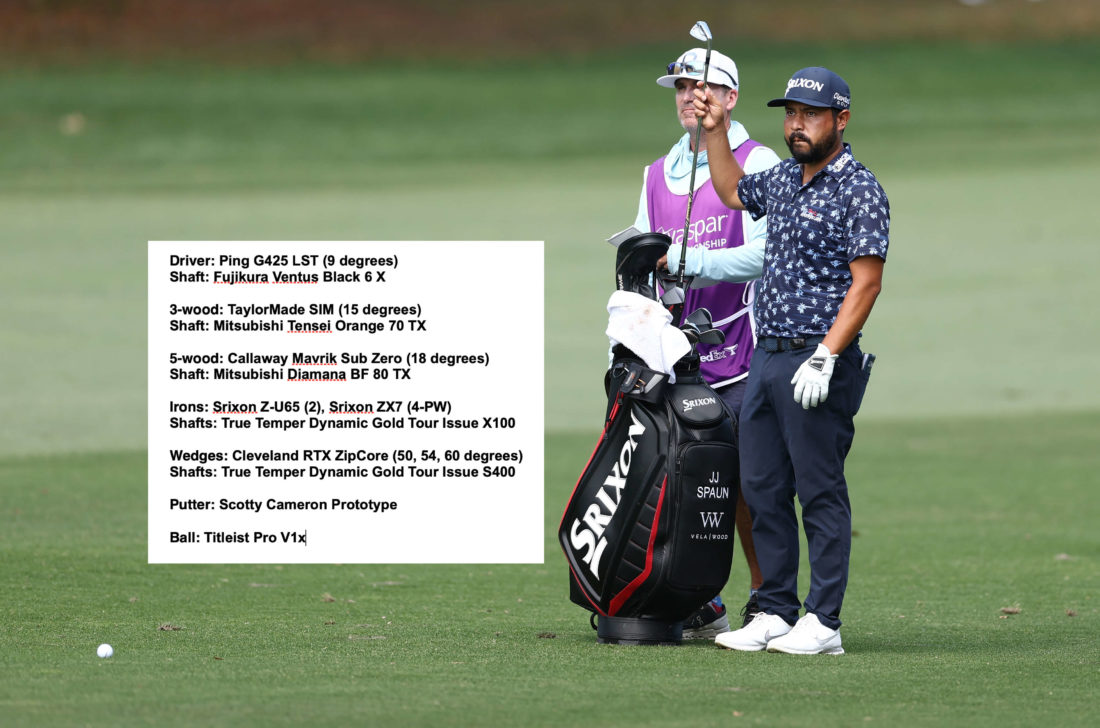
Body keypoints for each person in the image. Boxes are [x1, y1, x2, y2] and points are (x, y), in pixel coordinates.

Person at [684, 67, 890, 654]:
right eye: (791, 114)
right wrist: (717, 128)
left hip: (818, 361)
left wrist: (827, 354)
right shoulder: (781, 179)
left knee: (819, 489)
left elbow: (867, 284)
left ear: (840, 120)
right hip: (768, 358)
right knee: (764, 485)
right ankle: (775, 608)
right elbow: (729, 190)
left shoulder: (859, 189)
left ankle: (823, 622)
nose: (797, 125)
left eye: (811, 115)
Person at [633, 48, 781, 638]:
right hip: (681, 359)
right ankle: (696, 600)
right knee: (678, 483)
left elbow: (764, 254)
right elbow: (647, 259)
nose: (691, 98)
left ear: (731, 97)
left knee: (751, 488)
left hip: (744, 354)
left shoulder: (759, 160)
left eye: (704, 88)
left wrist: (689, 262)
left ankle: (769, 601)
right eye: (681, 88)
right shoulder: (653, 176)